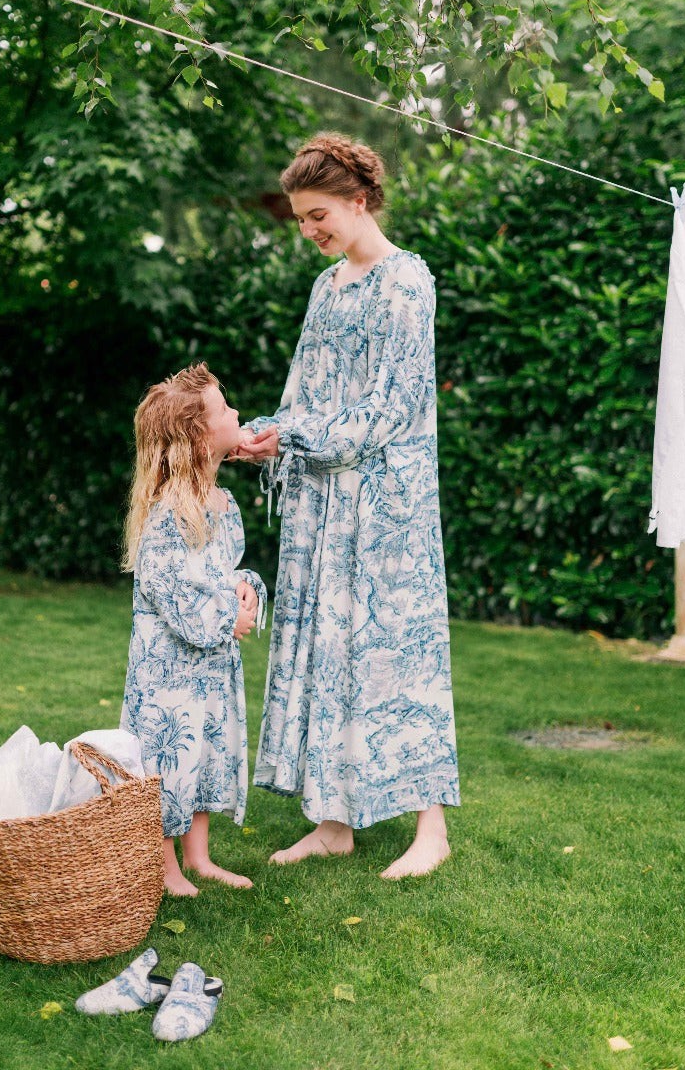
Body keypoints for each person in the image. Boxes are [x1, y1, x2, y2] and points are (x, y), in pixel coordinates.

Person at [236, 133, 460, 880]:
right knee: (327, 649)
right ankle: (333, 821)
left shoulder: (407, 283)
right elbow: (305, 391)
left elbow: (393, 408)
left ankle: (431, 828)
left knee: (401, 652)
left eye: (319, 214)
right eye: (301, 218)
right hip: (323, 499)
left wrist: (294, 434)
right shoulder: (326, 288)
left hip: (388, 500)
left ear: (360, 201)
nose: (310, 230)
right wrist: (270, 432)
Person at [121, 363, 267, 895]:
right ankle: (163, 868)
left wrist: (245, 588)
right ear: (199, 435)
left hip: (211, 670)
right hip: (171, 676)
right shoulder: (165, 516)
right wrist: (231, 619)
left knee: (204, 758)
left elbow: (220, 574)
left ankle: (199, 857)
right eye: (225, 409)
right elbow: (177, 598)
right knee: (168, 762)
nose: (235, 413)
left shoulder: (222, 503)